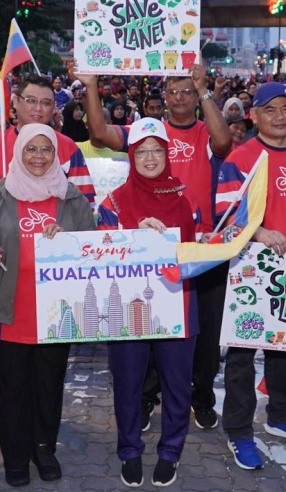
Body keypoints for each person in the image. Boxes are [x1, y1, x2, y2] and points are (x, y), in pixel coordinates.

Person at [80, 64, 232, 431]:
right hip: (146, 247)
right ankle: (148, 398)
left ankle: (202, 398)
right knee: (147, 325)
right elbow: (98, 133)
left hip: (200, 247)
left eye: (187, 91)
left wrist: (205, 89)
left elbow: (225, 144)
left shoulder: (204, 131)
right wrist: (92, 84)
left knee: (205, 333)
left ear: (196, 97)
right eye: (173, 92)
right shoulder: (145, 132)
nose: (180, 97)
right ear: (163, 97)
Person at [0, 124, 94, 487]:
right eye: (31, 150)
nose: (38, 157)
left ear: (56, 154)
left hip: (56, 316)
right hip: (8, 315)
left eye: (46, 150)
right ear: (19, 152)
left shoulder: (71, 198)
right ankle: (16, 457)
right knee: (12, 391)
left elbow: (93, 248)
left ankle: (44, 449)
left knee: (49, 387)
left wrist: (69, 242)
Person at [216, 83, 286, 470]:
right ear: (254, 116)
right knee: (242, 357)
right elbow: (223, 219)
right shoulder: (240, 158)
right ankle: (240, 431)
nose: (279, 116)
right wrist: (257, 232)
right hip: (249, 270)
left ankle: (281, 417)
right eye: (269, 109)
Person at [98, 118, 199, 488]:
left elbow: (196, 255)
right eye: (142, 151)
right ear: (131, 155)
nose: (151, 158)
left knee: (177, 385)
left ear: (167, 154)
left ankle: (171, 451)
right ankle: (129, 450)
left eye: (158, 150)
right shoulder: (112, 202)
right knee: (127, 384)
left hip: (178, 304)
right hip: (128, 308)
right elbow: (99, 253)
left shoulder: (184, 200)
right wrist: (131, 237)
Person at [0, 74, 95, 203]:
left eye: (46, 103)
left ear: (54, 107)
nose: (38, 108)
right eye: (31, 101)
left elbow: (85, 203)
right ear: (15, 101)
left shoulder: (68, 147)